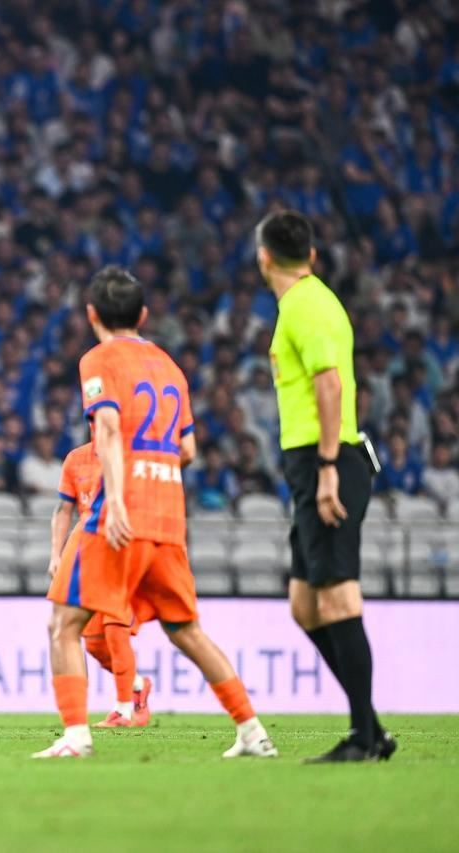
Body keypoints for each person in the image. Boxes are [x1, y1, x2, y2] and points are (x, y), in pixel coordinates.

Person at [36, 265, 277, 760]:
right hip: (169, 517)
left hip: (121, 516)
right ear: (143, 315)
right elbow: (187, 449)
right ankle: (253, 731)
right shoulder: (171, 367)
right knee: (186, 630)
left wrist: (118, 499)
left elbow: (106, 427)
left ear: (92, 314)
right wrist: (153, 467)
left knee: (62, 623)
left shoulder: (99, 358)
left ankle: (76, 736)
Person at [257, 210, 394, 762]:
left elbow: (331, 385)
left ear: (264, 257)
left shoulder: (305, 306)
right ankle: (371, 728)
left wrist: (328, 467)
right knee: (305, 604)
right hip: (313, 463)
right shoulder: (308, 302)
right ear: (310, 254)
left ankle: (364, 738)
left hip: (326, 459)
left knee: (336, 596)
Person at [47, 441, 153, 728]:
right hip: (88, 549)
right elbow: (63, 509)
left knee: (116, 626)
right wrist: (56, 554)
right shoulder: (76, 458)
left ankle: (124, 710)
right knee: (94, 642)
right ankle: (137, 684)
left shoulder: (132, 457)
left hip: (122, 546)